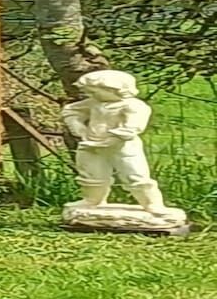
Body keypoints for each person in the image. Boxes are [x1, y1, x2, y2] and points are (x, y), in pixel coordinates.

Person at [60, 69, 168, 213]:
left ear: (115, 90)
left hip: (123, 147)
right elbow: (71, 111)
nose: (91, 96)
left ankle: (151, 203)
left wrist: (114, 138)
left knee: (134, 174)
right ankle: (93, 200)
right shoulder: (94, 103)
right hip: (91, 145)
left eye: (94, 92)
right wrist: (79, 129)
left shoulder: (133, 106)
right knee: (91, 174)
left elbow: (134, 126)